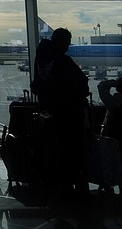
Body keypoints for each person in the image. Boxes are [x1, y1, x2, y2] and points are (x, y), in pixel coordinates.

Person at [31, 27, 90, 198]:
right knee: (72, 148)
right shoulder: (63, 61)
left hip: (49, 113)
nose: (68, 47)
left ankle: (53, 181)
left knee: (53, 149)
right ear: (61, 42)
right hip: (69, 114)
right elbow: (79, 84)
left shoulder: (41, 59)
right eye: (67, 43)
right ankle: (71, 180)